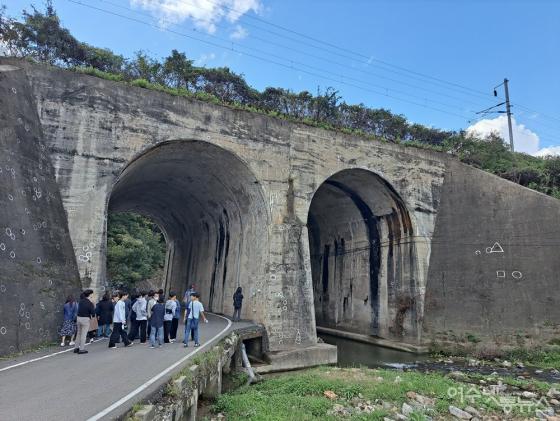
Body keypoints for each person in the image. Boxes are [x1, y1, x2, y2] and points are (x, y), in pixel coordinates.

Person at [74, 289, 95, 354]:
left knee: (78, 333)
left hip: (78, 318)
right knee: (84, 334)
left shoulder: (81, 301)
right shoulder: (90, 303)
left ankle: (76, 348)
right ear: (90, 294)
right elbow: (93, 313)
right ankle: (82, 349)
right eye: (92, 294)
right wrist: (93, 304)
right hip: (85, 319)